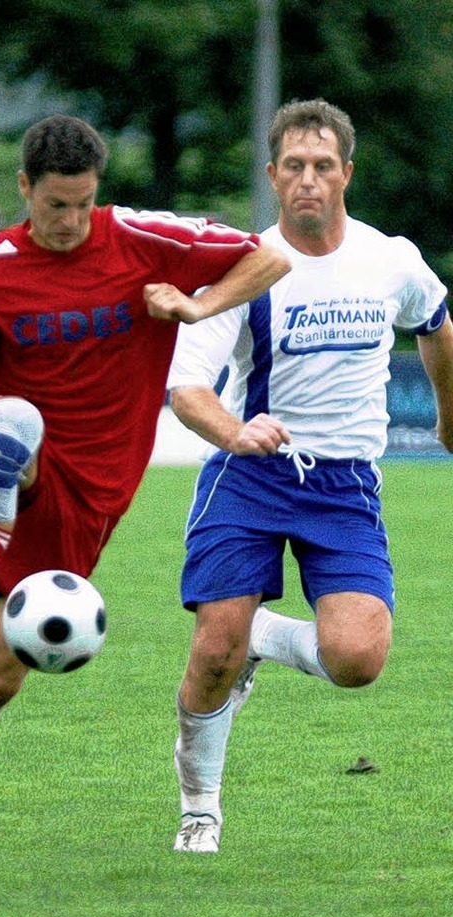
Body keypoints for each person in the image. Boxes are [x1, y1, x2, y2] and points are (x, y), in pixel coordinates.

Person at [0, 113, 290, 876]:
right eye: (54, 207)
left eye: (82, 204)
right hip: (10, 455)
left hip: (93, 495)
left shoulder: (141, 236)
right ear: (24, 190)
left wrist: (196, 306)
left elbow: (265, 257)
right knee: (11, 421)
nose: (71, 222)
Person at [167, 97, 453, 854]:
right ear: (272, 176)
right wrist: (238, 430)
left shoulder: (389, 258)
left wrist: (450, 416)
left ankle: (264, 634)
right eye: (293, 166)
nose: (308, 180)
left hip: (345, 485)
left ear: (346, 173)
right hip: (250, 474)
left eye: (323, 165)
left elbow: (436, 320)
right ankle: (200, 806)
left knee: (358, 659)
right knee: (212, 652)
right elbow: (187, 387)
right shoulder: (246, 268)